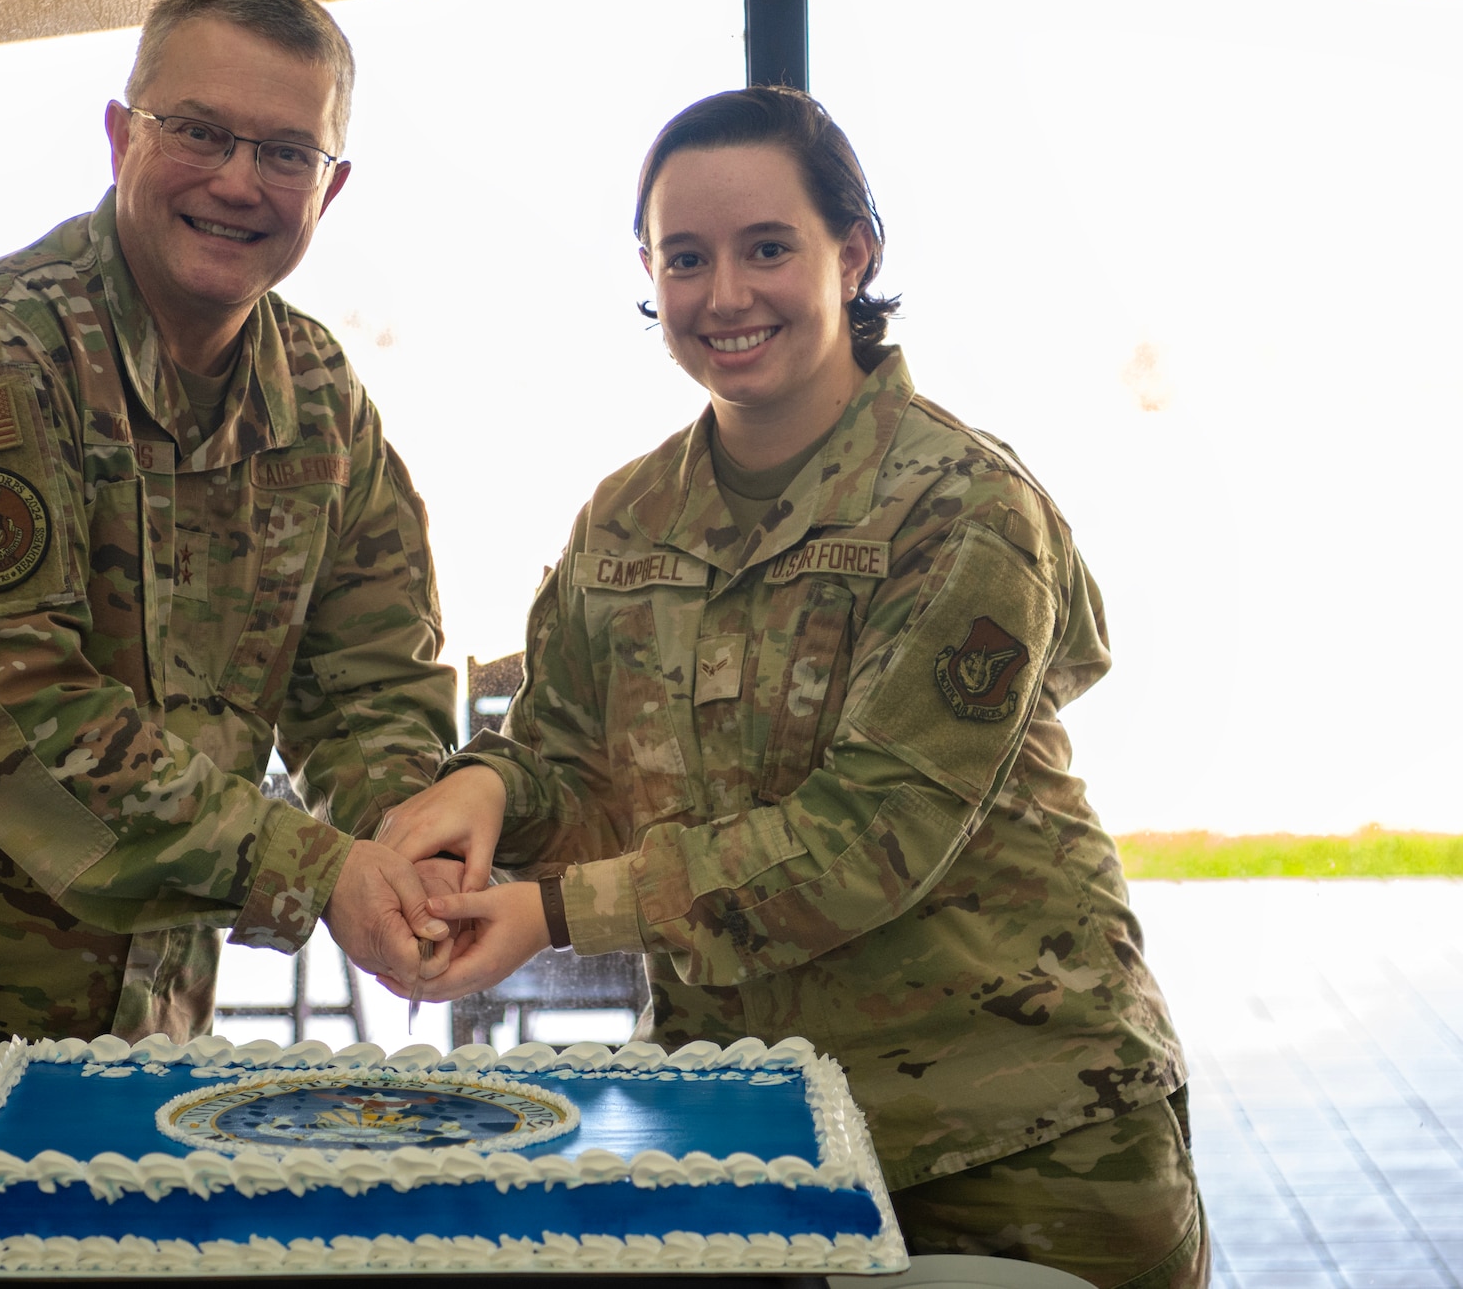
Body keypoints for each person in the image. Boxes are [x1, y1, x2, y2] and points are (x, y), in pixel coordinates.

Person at [381, 88, 1204, 1289]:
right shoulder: (626, 515)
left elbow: (871, 836)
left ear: (851, 253)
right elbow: (569, 753)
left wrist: (552, 917)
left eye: (767, 248)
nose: (723, 296)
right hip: (751, 1116)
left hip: (1019, 1129)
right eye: (685, 257)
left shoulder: (962, 509)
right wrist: (484, 791)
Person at [0, 0, 458, 1288]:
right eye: (201, 132)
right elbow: (11, 716)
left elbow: (370, 685)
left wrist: (409, 841)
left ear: (329, 190)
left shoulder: (323, 406)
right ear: (124, 139)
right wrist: (318, 869)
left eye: (285, 150)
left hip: (132, 1090)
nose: (238, 180)